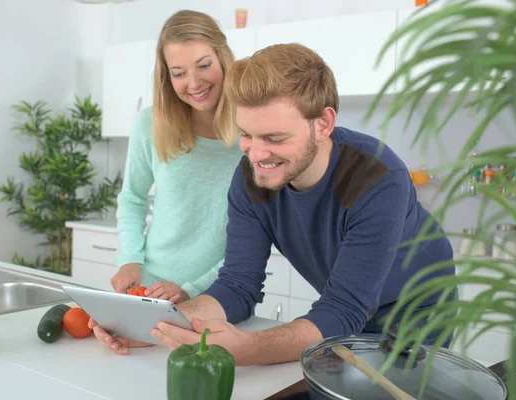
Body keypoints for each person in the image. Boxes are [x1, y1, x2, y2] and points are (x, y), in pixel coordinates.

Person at [92, 43, 456, 365]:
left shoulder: (377, 178)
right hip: (346, 313)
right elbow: (237, 285)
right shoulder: (252, 178)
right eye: (247, 135)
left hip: (418, 314)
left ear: (323, 124)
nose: (258, 153)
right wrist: (149, 326)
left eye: (275, 137)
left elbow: (344, 309)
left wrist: (249, 348)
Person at [109, 10, 242, 304]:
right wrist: (129, 259)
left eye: (203, 65)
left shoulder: (252, 135)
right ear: (167, 77)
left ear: (223, 59)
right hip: (149, 289)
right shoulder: (151, 124)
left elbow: (253, 238)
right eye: (179, 73)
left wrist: (191, 290)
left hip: (219, 293)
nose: (193, 83)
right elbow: (132, 198)